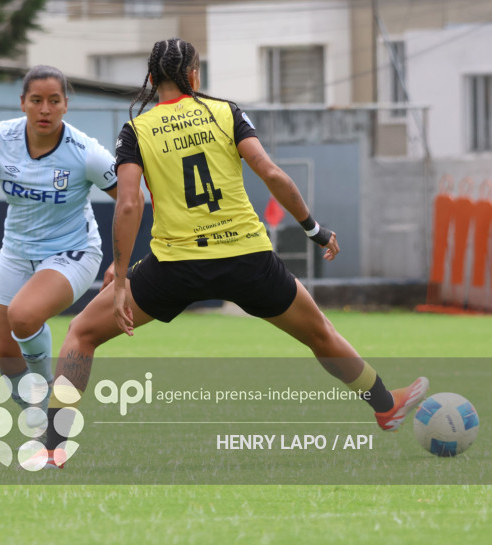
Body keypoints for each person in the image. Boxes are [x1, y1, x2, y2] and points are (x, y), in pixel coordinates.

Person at [40, 38, 429, 468]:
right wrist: (314, 229)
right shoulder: (225, 112)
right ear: (194, 76)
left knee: (82, 334)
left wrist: (118, 276)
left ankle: (53, 447)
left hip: (176, 265)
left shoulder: (137, 130)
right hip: (248, 259)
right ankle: (384, 404)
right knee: (320, 333)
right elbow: (271, 173)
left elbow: (129, 204)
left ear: (151, 78)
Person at [0, 65, 127, 431]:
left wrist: (119, 262)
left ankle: (45, 399)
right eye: (36, 100)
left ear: (65, 105)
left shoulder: (85, 152)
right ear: (23, 103)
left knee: (24, 315)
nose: (45, 109)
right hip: (16, 251)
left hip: (74, 251)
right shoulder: (1, 138)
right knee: (6, 354)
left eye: (54, 101)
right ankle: (35, 405)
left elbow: (130, 200)